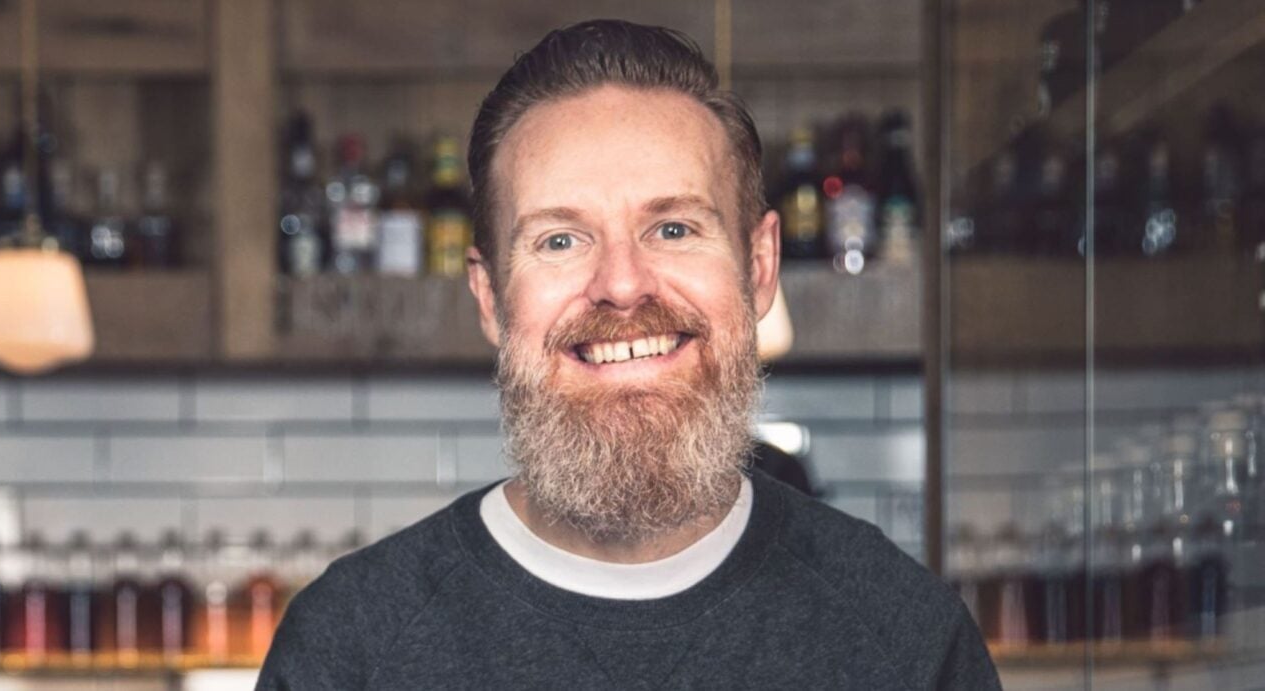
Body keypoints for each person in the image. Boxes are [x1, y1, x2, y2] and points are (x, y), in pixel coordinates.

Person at [258, 19, 999, 690]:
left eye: (673, 228)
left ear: (760, 266)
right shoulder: (348, 650)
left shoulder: (907, 641)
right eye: (560, 239)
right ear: (490, 297)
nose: (621, 285)